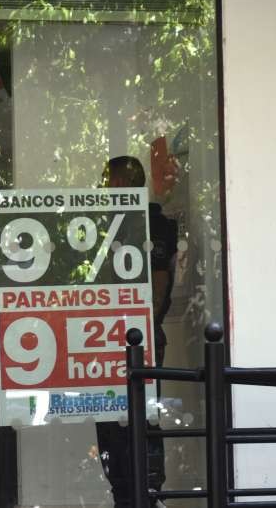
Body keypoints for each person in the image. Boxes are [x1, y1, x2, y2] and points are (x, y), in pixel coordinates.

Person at [96, 155, 178, 508]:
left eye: (108, 182)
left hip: (139, 340)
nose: (103, 189)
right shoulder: (103, 227)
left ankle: (149, 495)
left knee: (142, 418)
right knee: (109, 421)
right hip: (103, 340)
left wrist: (142, 331)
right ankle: (123, 497)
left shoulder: (153, 225)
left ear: (121, 184)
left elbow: (159, 285)